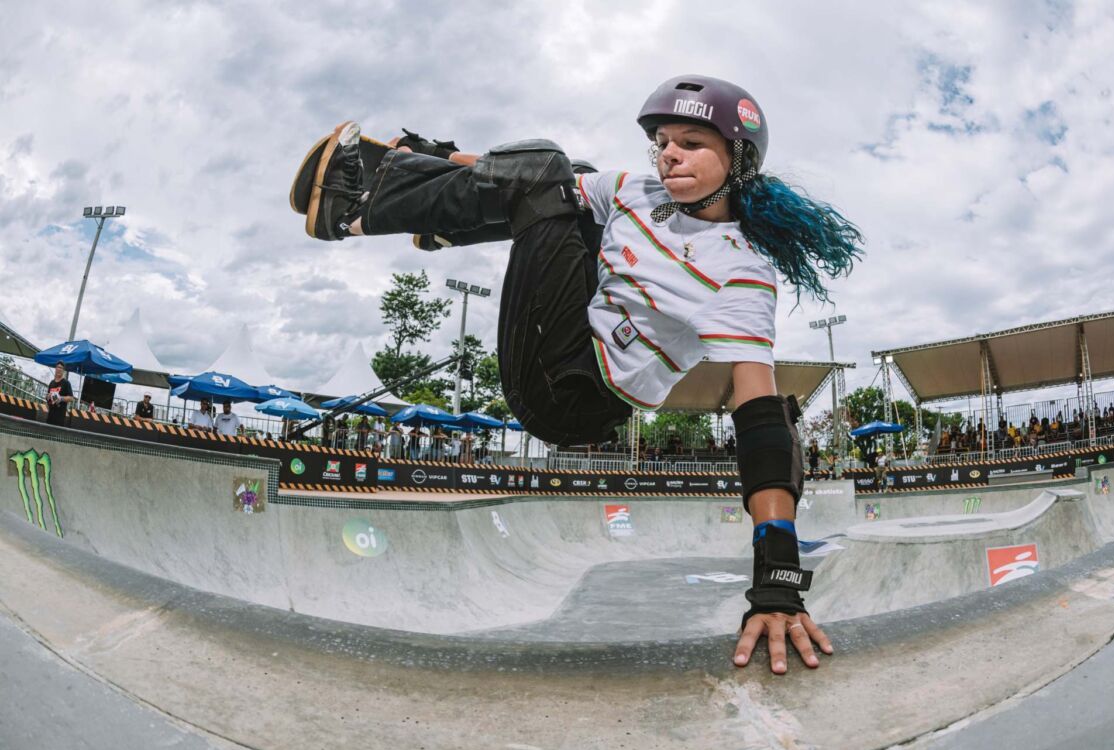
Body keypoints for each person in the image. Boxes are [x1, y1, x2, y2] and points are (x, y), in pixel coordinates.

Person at [298, 74, 862, 674]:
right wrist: (439, 159)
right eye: (663, 142)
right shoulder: (638, 191)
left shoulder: (741, 273)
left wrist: (777, 582)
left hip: (571, 395)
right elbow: (516, 175)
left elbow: (760, 419)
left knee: (548, 168)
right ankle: (443, 221)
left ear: (739, 159)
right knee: (573, 176)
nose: (669, 155)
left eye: (692, 143)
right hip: (564, 331)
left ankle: (351, 209)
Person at [44, 362, 75, 427]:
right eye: (58, 367)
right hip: (50, 415)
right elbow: (47, 397)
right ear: (55, 369)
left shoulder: (66, 383)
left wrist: (61, 398)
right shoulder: (51, 383)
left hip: (59, 417)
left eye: (61, 368)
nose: (59, 369)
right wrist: (47, 397)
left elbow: (71, 398)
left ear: (63, 370)